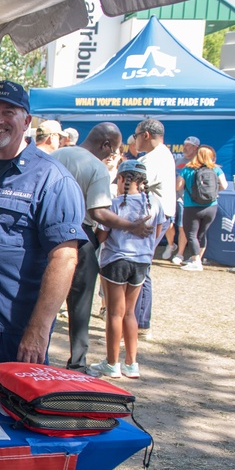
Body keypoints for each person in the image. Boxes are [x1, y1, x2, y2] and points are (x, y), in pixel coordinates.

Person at [0, 80, 86, 369]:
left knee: (10, 410)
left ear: (27, 120)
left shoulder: (52, 179)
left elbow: (65, 256)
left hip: (14, 330)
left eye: (8, 112)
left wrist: (39, 329)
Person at [52, 123, 153, 372]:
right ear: (106, 144)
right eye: (113, 149)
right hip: (79, 232)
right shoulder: (96, 167)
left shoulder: (58, 155)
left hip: (47, 229)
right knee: (81, 301)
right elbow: (98, 212)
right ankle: (77, 361)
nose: (112, 155)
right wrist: (131, 226)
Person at [89, 160, 166, 379]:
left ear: (121, 179)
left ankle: (112, 363)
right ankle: (132, 363)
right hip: (141, 262)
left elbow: (102, 236)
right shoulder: (156, 204)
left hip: (116, 260)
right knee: (130, 312)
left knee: (114, 313)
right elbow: (157, 233)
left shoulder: (114, 204)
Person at [133, 119, 176, 340]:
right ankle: (138, 322)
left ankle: (139, 323)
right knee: (141, 266)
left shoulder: (153, 158)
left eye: (136, 134)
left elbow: (137, 185)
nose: (135, 139)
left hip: (153, 217)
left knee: (140, 266)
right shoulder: (163, 154)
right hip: (159, 215)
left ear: (146, 135)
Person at [176, 144, 227, 272]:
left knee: (191, 234)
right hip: (211, 206)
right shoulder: (216, 169)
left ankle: (196, 261)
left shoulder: (188, 169)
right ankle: (197, 258)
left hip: (191, 206)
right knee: (202, 233)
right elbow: (224, 186)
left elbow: (178, 186)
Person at [167, 135, 201, 263]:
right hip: (172, 197)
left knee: (182, 226)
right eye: (184, 144)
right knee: (169, 223)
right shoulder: (178, 160)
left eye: (188, 145)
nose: (185, 147)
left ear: (195, 148)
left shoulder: (197, 162)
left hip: (186, 199)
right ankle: (171, 245)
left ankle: (180, 254)